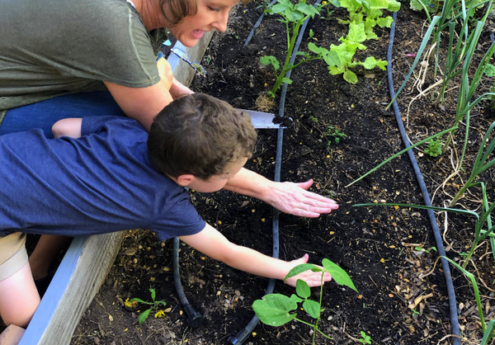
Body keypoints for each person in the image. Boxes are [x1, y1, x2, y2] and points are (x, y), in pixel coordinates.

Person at [0, 0, 338, 219]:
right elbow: (182, 139)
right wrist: (268, 188)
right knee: (144, 136)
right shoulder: (113, 24)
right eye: (213, 7)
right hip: (7, 111)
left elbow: (145, 61)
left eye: (227, 10)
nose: (222, 25)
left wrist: (178, 90)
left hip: (30, 89)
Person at [0, 94, 333, 329]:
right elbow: (228, 252)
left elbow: (61, 127)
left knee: (67, 204)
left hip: (10, 154)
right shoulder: (164, 204)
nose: (233, 179)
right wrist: (286, 270)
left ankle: (38, 263)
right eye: (228, 176)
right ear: (187, 179)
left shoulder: (129, 130)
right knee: (29, 320)